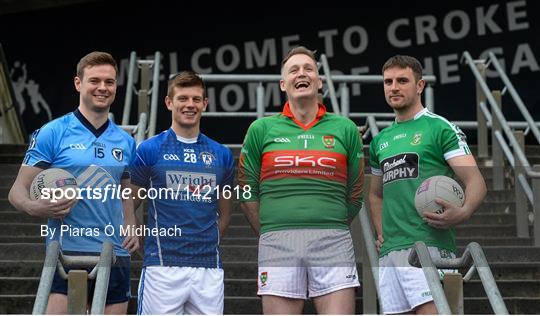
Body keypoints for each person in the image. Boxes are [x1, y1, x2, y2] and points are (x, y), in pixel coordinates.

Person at [8, 51, 139, 314]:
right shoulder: (53, 132)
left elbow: (126, 189)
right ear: (78, 83)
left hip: (115, 252)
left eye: (110, 82)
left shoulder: (125, 141)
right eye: (95, 80)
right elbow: (16, 191)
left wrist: (132, 223)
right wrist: (36, 208)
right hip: (66, 251)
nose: (103, 87)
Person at [238, 46, 364, 314]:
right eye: (294, 70)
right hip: (277, 241)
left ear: (319, 81)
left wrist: (331, 221)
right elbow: (247, 191)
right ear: (283, 83)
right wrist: (273, 228)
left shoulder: (346, 129)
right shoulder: (261, 129)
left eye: (309, 68)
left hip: (334, 239)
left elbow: (356, 192)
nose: (302, 74)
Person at [368, 55, 487, 314]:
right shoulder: (380, 141)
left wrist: (464, 212)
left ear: (420, 85)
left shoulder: (439, 128)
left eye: (402, 80)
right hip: (390, 254)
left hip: (429, 247)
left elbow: (475, 180)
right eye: (388, 82)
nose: (394, 87)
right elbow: (375, 195)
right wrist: (381, 233)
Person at [131, 70, 234, 314]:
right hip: (162, 268)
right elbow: (129, 201)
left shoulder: (222, 154)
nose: (190, 105)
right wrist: (147, 247)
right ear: (169, 102)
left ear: (205, 104)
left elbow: (226, 214)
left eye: (196, 99)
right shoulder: (149, 149)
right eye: (183, 98)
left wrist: (205, 242)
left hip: (208, 268)